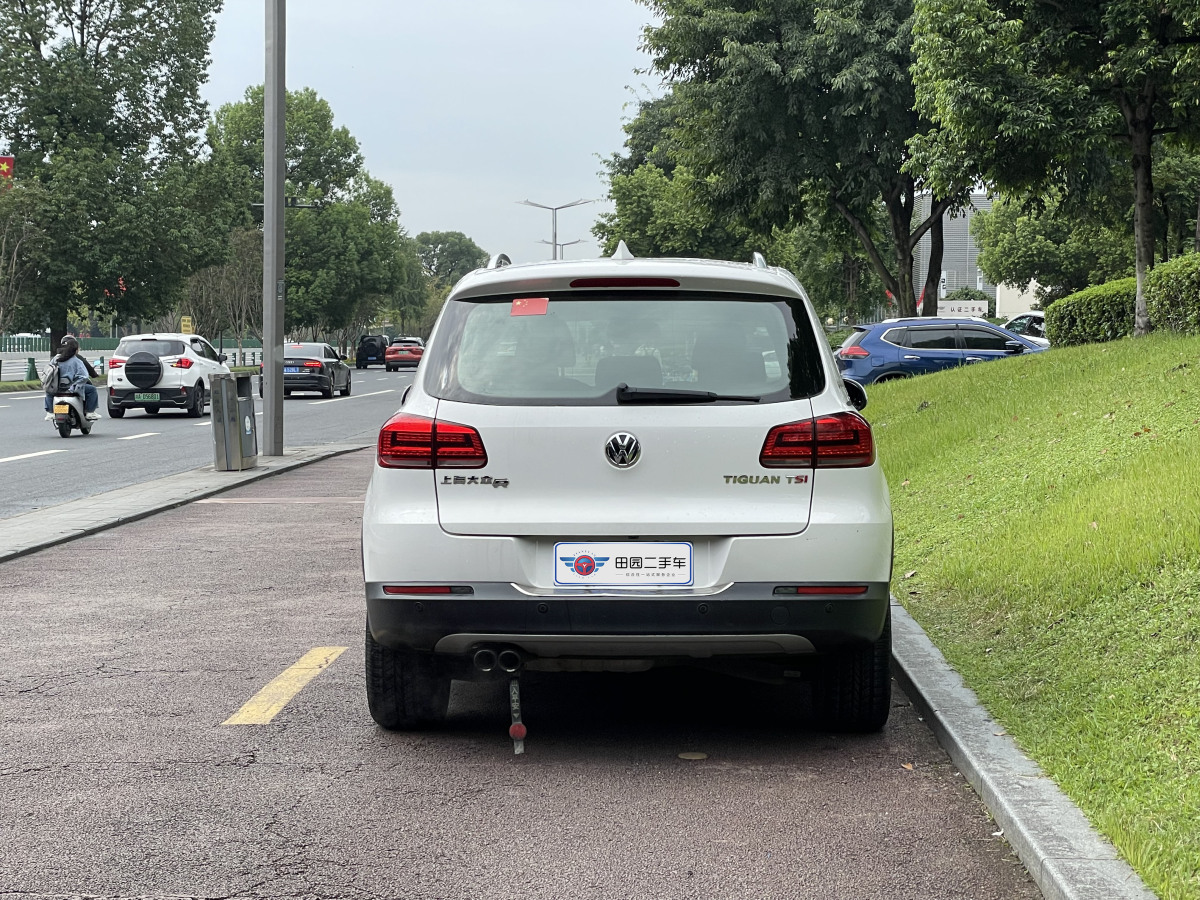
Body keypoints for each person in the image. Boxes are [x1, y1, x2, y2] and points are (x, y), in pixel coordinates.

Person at [44, 335, 100, 421]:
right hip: (72, 389)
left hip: (56, 389)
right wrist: (76, 385)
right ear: (75, 349)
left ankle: (50, 413)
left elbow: (48, 372)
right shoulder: (77, 360)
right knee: (92, 390)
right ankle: (90, 412)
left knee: (48, 392)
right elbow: (84, 376)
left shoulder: (55, 359)